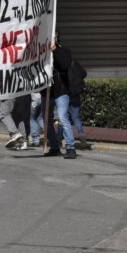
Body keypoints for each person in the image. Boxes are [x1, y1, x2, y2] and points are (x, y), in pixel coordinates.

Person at [45, 31, 79, 159]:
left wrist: (54, 51)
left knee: (62, 117)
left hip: (61, 90)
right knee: (46, 119)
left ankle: (70, 147)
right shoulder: (43, 52)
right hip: (47, 90)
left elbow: (64, 65)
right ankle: (54, 147)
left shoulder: (64, 51)